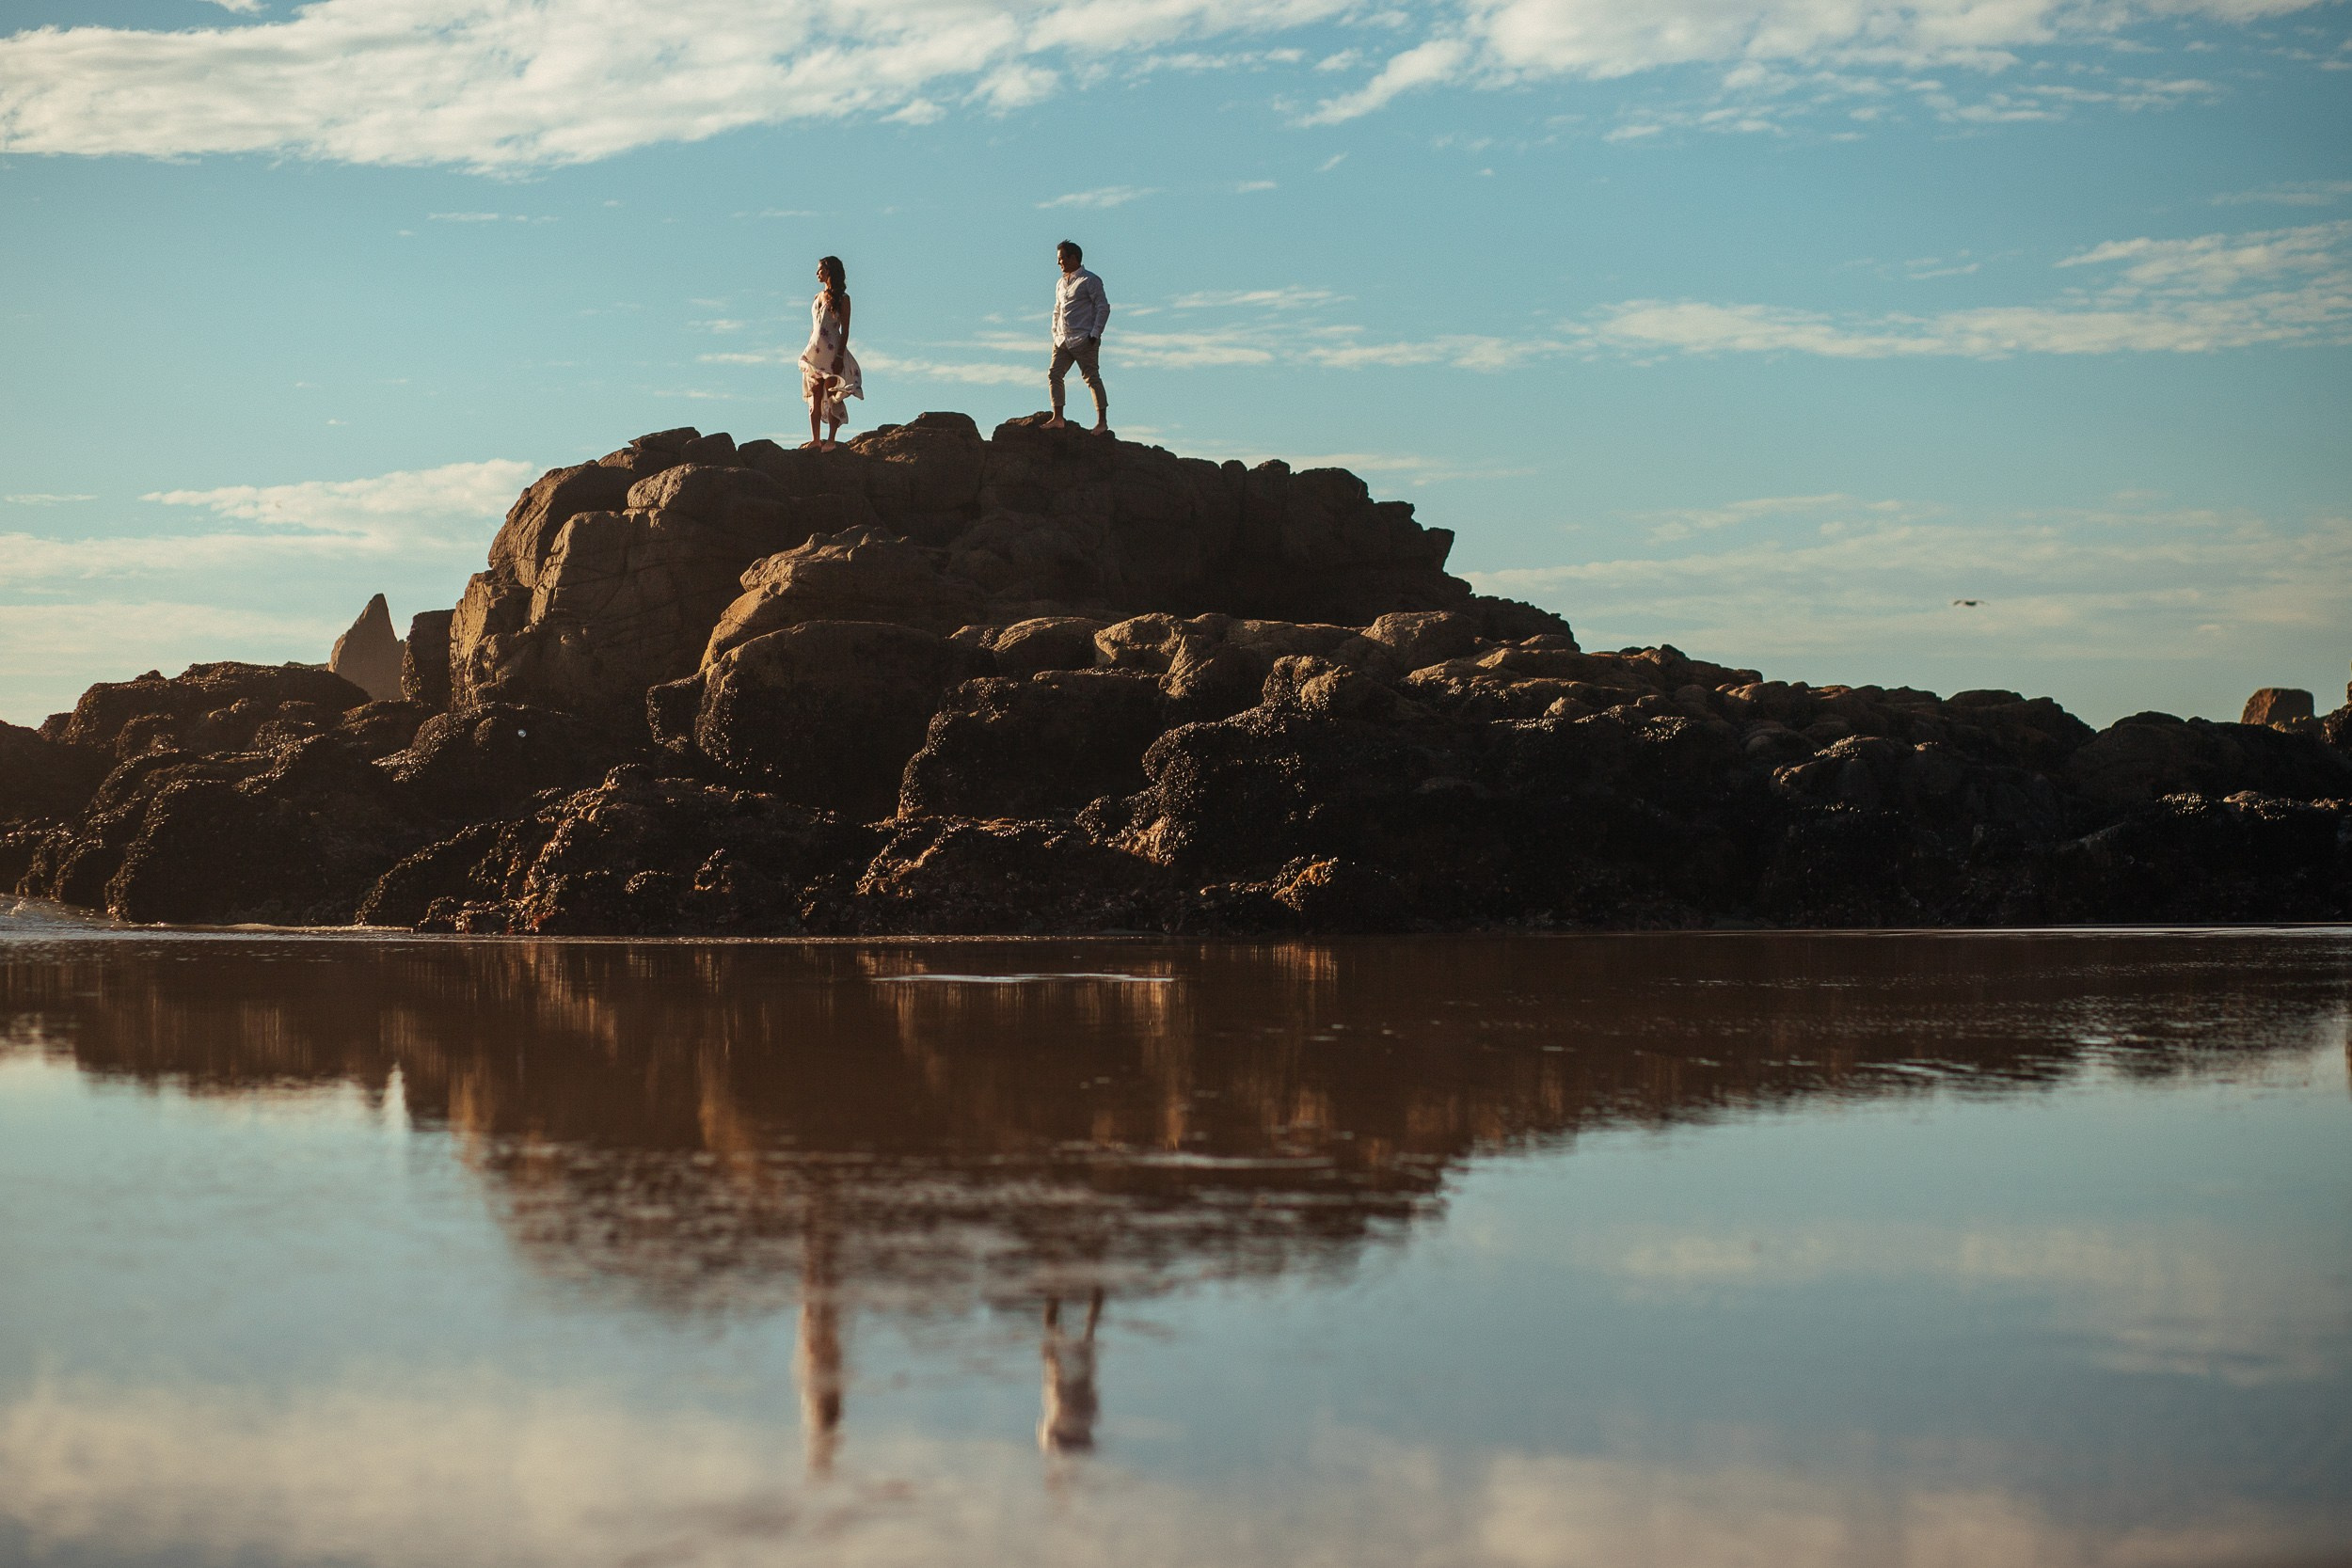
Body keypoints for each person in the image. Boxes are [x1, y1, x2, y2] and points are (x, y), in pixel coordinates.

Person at [1045, 241, 1109, 433]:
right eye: (1058, 259)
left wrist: (1094, 334)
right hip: (1062, 340)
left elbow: (1103, 307)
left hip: (1084, 338)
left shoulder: (1090, 280)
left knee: (1092, 378)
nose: (1059, 263)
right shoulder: (1060, 283)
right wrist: (1055, 333)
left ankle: (1102, 422)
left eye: (1062, 258)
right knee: (1054, 374)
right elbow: (1057, 309)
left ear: (1073, 258)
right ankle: (1057, 418)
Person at [799, 255, 862, 451]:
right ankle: (816, 439)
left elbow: (845, 330)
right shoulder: (817, 297)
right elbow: (816, 325)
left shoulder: (843, 299)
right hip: (815, 350)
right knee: (815, 393)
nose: (817, 273)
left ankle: (831, 439)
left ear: (830, 271)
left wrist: (840, 356)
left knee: (832, 393)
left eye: (820, 269)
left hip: (833, 350)